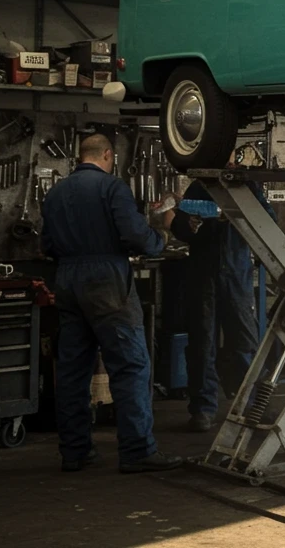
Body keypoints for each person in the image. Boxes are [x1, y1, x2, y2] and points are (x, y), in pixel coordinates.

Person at [41, 133, 183, 473]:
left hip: (67, 278)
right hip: (106, 278)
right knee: (131, 364)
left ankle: (75, 452)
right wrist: (159, 239)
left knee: (73, 370)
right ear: (107, 155)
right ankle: (137, 451)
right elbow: (135, 235)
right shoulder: (112, 187)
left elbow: (46, 243)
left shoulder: (55, 192)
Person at [169, 177, 268, 432]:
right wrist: (189, 225)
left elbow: (269, 223)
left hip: (236, 274)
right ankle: (203, 409)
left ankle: (253, 405)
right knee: (203, 343)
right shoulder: (199, 187)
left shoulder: (248, 187)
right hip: (203, 275)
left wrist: (237, 217)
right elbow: (179, 226)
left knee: (245, 341)